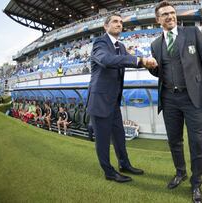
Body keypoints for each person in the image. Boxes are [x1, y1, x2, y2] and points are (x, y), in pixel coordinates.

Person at [148, 2, 202, 202]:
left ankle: (196, 183)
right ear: (158, 20)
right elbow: (159, 72)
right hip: (169, 99)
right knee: (174, 141)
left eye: (172, 13)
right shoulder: (155, 45)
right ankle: (180, 172)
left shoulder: (192, 33)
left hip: (193, 97)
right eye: (165, 14)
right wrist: (151, 67)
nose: (170, 16)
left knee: (197, 143)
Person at [87, 14, 156, 183]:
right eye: (115, 21)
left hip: (113, 102)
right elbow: (107, 60)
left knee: (119, 136)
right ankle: (109, 172)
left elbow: (124, 61)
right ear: (106, 26)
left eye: (121, 22)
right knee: (103, 141)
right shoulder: (100, 43)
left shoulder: (122, 46)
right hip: (100, 101)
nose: (119, 24)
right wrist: (140, 60)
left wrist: (150, 64)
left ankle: (124, 164)